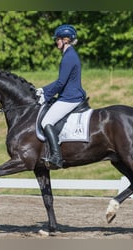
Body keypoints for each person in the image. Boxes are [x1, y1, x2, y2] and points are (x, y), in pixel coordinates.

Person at [35, 24, 87, 169]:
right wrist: (43, 89)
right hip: (69, 95)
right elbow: (61, 82)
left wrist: (46, 95)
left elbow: (61, 82)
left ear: (66, 40)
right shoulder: (69, 54)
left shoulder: (69, 56)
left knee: (46, 122)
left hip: (70, 97)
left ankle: (56, 157)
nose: (56, 42)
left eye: (58, 39)